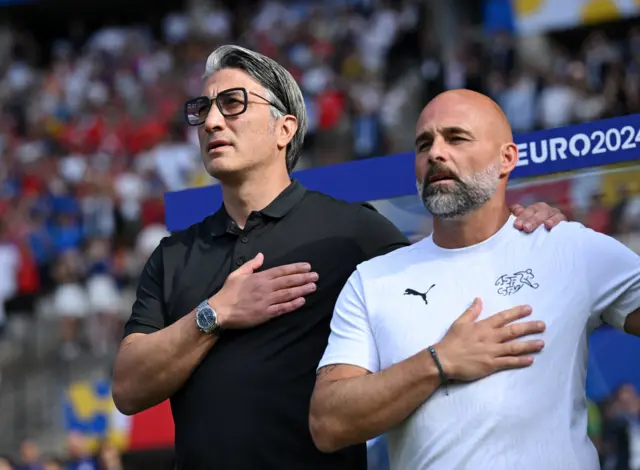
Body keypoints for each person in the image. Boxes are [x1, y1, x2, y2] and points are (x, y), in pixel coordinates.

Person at [111, 46, 566, 470]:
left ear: (284, 129)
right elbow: (128, 389)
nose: (211, 122)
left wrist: (518, 228)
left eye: (232, 103)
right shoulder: (173, 254)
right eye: (202, 108)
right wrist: (217, 312)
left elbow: (454, 282)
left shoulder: (353, 232)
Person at [309, 89, 640, 470]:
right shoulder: (373, 279)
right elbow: (327, 423)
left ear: (506, 159)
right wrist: (439, 362)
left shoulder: (569, 247)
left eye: (456, 138)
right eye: (423, 144)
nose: (435, 153)